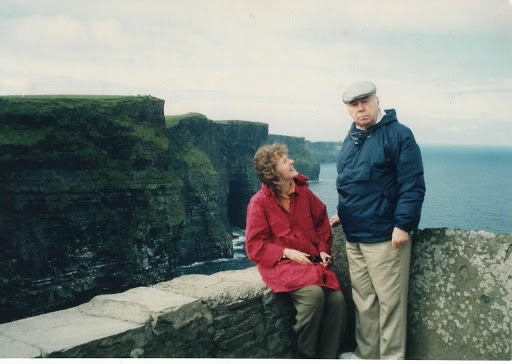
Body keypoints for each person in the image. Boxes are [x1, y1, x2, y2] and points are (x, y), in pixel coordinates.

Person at [330, 82, 425, 360]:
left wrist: (403, 224)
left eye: (365, 102)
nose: (360, 109)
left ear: (377, 102)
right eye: (354, 105)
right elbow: (347, 182)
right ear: (348, 110)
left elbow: (412, 184)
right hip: (354, 234)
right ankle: (366, 354)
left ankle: (392, 358)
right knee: (364, 300)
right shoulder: (351, 138)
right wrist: (343, 213)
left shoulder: (398, 135)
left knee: (390, 303)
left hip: (385, 235)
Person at [245, 143, 346, 359]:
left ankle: (328, 357)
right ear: (272, 173)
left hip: (310, 262)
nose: (291, 161)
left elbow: (321, 221)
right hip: (283, 265)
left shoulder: (303, 193)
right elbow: (254, 246)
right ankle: (305, 355)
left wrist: (322, 250)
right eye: (284, 160)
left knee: (337, 300)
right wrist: (287, 252)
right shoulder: (259, 203)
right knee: (313, 295)